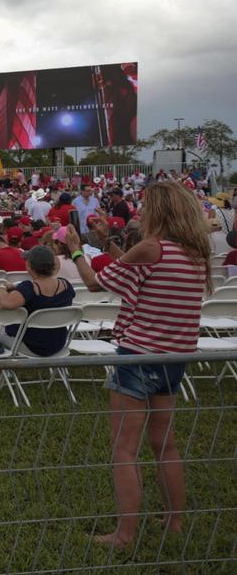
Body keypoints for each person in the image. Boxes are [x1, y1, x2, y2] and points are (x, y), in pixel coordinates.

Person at [64, 181, 208, 548]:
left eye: (146, 207)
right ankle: (174, 521)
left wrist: (77, 250)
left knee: (124, 448)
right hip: (174, 357)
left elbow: (96, 283)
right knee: (165, 444)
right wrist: (107, 242)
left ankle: (124, 534)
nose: (141, 212)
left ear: (159, 211)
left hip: (139, 355)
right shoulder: (193, 252)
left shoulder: (150, 247)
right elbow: (138, 267)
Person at [0, 245, 75, 355]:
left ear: (29, 265)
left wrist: (2, 288)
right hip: (58, 344)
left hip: (31, 346)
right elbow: (47, 299)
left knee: (3, 324)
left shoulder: (29, 288)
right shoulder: (66, 286)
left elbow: (5, 303)